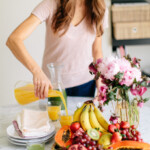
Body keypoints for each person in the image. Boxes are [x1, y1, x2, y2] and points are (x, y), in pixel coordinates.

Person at [6, 0, 108, 99]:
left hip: (86, 85)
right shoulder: (50, 5)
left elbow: (97, 51)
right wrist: (37, 72)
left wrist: (101, 83)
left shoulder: (99, 9)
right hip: (51, 86)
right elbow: (13, 40)